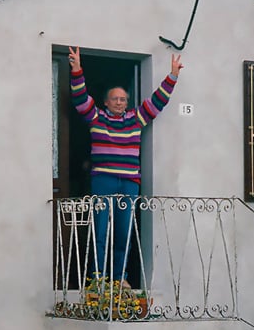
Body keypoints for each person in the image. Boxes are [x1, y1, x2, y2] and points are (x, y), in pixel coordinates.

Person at [68, 46, 183, 289]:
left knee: (124, 234)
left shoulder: (135, 118)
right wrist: (77, 70)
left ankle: (119, 279)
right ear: (106, 101)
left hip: (129, 183)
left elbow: (156, 102)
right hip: (104, 181)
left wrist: (172, 76)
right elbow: (80, 99)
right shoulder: (96, 117)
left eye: (123, 99)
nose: (119, 103)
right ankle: (97, 280)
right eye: (115, 99)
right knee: (99, 232)